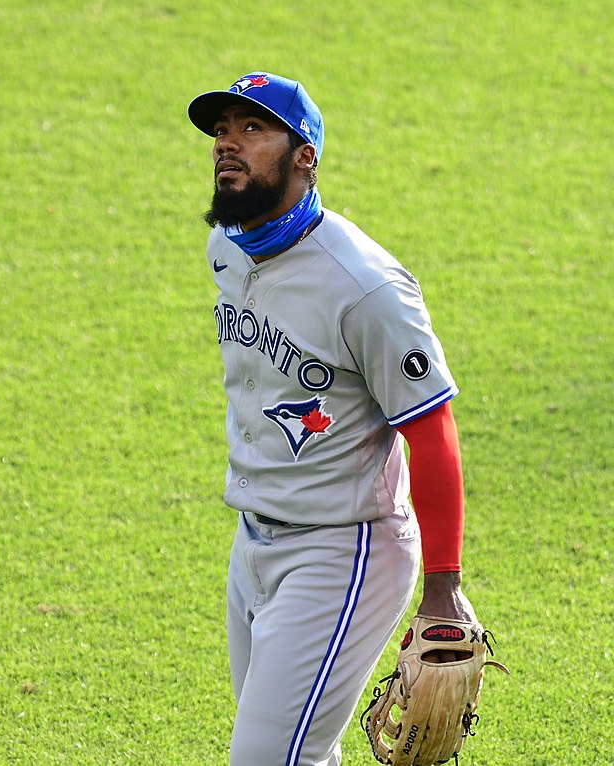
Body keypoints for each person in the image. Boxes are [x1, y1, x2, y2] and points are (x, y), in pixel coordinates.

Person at [187, 72, 478, 766]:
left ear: (304, 156)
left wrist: (444, 588)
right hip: (253, 541)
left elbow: (431, 430)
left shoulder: (365, 287)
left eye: (253, 130)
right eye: (222, 130)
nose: (228, 144)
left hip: (343, 551)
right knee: (298, 752)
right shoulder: (226, 249)